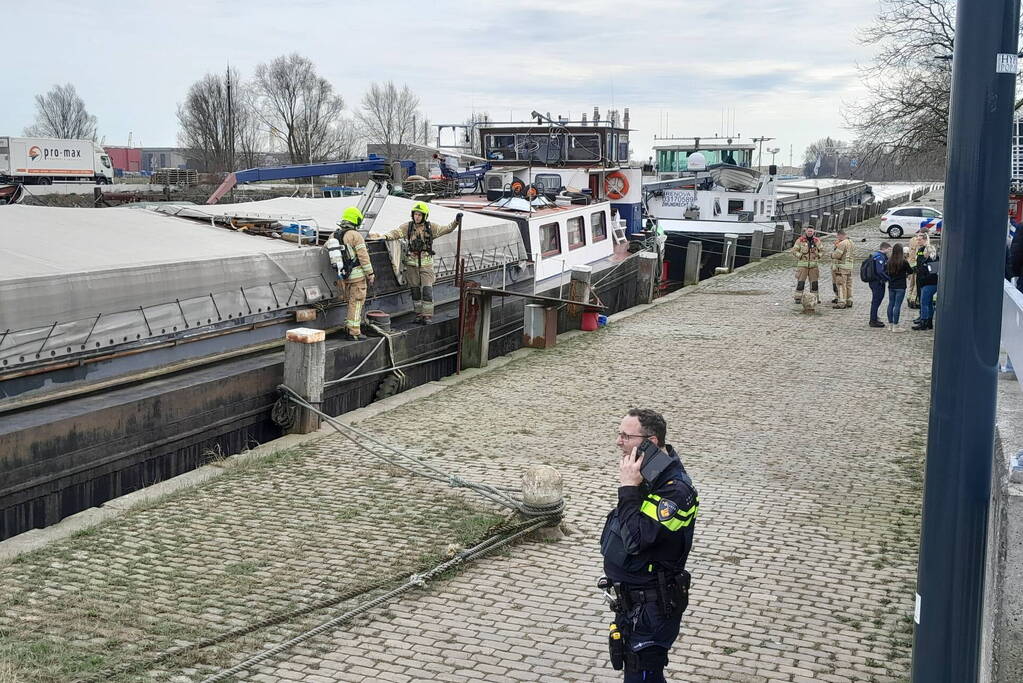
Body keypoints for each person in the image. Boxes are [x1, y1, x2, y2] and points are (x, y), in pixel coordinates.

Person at [600, 409, 698, 683]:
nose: (618, 442)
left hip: (652, 608)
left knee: (643, 675)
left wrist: (628, 488)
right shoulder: (650, 475)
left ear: (650, 442)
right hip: (632, 603)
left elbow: (635, 540)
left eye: (625, 436)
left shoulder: (674, 491)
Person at [368, 202, 462, 324]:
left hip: (426, 265)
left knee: (427, 290)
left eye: (419, 215)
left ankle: (427, 316)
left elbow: (446, 229)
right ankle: (418, 314)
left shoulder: (430, 228)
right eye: (415, 214)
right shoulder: (408, 227)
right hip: (411, 265)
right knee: (415, 291)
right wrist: (383, 237)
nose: (417, 217)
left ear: (424, 216)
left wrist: (456, 221)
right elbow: (396, 233)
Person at [325, 206, 375, 341]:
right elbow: (363, 256)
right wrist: (370, 274)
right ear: (356, 220)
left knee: (350, 303)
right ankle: (354, 332)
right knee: (357, 303)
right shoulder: (355, 235)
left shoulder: (334, 235)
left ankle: (348, 328)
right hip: (357, 276)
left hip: (343, 276)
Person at [790, 226, 822, 304]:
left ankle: (815, 298)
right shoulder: (800, 240)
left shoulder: (817, 241)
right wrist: (800, 255)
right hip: (802, 266)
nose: (810, 232)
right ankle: (798, 298)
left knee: (814, 283)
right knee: (800, 283)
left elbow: (822, 251)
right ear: (806, 231)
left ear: (813, 232)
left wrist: (818, 255)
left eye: (811, 231)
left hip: (813, 266)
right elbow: (794, 251)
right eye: (808, 231)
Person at [885, 243, 913, 332]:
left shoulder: (889, 261)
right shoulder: (904, 261)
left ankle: (890, 324)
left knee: (891, 304)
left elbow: (886, 272)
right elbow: (910, 271)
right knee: (897, 305)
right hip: (900, 286)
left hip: (891, 285)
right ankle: (896, 326)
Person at [913, 249, 939, 331]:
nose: (923, 253)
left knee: (924, 303)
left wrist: (923, 280)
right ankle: (929, 322)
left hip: (929, 285)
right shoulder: (930, 260)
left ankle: (923, 322)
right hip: (929, 284)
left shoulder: (932, 260)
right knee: (929, 303)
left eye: (925, 252)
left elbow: (932, 275)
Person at [868, 242, 892, 328]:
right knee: (876, 300)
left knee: (876, 300)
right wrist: (888, 278)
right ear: (884, 248)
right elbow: (879, 271)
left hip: (875, 281)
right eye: (889, 249)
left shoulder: (876, 255)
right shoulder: (879, 257)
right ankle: (873, 320)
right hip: (877, 282)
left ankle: (874, 317)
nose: (890, 251)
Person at [830, 228, 855, 309]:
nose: (837, 238)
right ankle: (849, 300)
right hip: (849, 267)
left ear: (840, 235)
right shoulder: (851, 242)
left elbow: (837, 255)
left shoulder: (842, 243)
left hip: (842, 268)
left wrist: (832, 254)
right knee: (849, 284)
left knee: (841, 285)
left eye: (838, 236)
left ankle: (841, 302)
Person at [906, 228, 929, 308]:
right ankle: (914, 301)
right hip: (917, 265)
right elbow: (918, 253)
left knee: (911, 284)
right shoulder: (920, 241)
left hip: (911, 264)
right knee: (916, 285)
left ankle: (909, 299)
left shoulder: (912, 239)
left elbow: (910, 252)